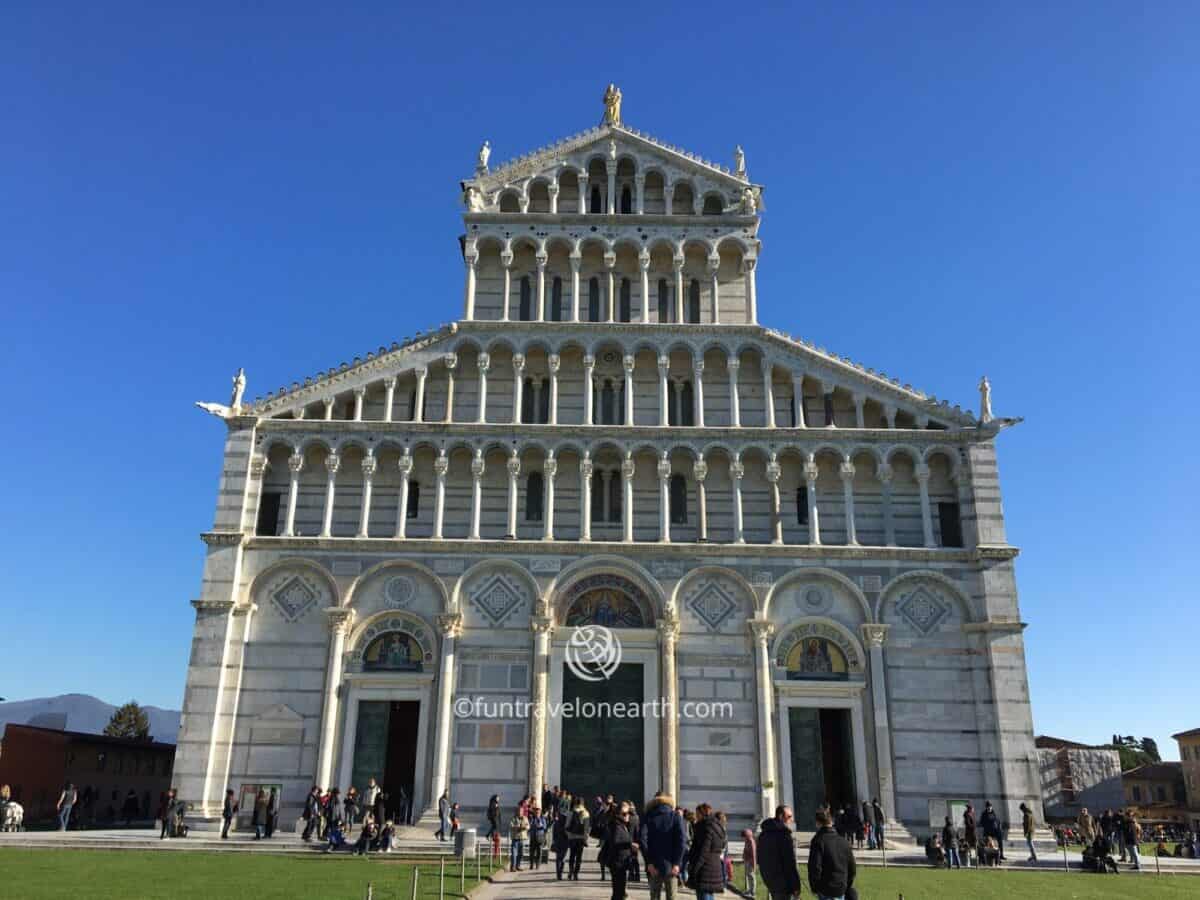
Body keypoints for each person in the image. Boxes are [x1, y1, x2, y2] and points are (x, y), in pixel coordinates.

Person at [809, 807, 856, 900]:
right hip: (840, 887)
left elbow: (815, 868)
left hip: (825, 889)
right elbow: (852, 868)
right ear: (832, 822)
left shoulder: (818, 841)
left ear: (818, 823)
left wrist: (815, 888)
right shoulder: (844, 841)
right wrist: (846, 884)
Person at [758, 805, 801, 900]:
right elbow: (790, 863)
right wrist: (796, 887)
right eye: (789, 817)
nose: (791, 819)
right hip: (784, 884)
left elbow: (760, 860)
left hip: (771, 882)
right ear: (781, 816)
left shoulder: (763, 834)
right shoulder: (784, 835)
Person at [599, 801, 638, 900]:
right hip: (617, 862)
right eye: (624, 814)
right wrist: (630, 844)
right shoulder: (616, 825)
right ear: (618, 814)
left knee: (619, 890)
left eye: (629, 813)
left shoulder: (622, 824)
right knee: (618, 891)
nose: (627, 815)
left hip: (621, 862)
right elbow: (615, 841)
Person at [687, 803, 726, 900]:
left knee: (704, 895)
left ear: (702, 813)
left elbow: (703, 850)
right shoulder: (716, 825)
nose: (696, 816)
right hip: (714, 865)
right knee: (709, 894)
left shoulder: (705, 827)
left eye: (697, 814)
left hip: (704, 868)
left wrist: (695, 868)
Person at [566, 796, 590, 880]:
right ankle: (576, 873)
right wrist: (585, 838)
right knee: (579, 857)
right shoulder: (586, 813)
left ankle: (570, 871)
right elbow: (587, 828)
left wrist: (569, 835)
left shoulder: (571, 812)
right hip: (581, 838)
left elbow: (567, 826)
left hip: (572, 837)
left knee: (572, 856)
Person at [552, 805, 570, 880]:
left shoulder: (556, 823)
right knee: (562, 859)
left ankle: (559, 873)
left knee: (559, 858)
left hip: (558, 842)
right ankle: (560, 873)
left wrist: (554, 841)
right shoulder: (566, 824)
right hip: (564, 843)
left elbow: (554, 834)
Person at [509, 806, 529, 871]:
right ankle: (513, 867)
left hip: (522, 838)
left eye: (521, 811)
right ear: (516, 811)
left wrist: (525, 827)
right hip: (515, 838)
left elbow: (528, 826)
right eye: (519, 811)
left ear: (523, 812)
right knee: (514, 854)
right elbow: (511, 826)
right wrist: (517, 827)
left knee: (521, 853)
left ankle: (518, 866)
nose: (520, 812)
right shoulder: (513, 818)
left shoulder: (525, 818)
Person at [527, 806, 547, 870]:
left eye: (538, 812)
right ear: (534, 812)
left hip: (540, 837)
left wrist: (540, 824)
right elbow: (529, 826)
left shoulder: (542, 819)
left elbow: (544, 827)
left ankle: (537, 864)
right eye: (536, 812)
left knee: (539, 852)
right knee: (532, 852)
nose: (537, 813)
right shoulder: (532, 818)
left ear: (540, 812)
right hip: (533, 837)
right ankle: (531, 864)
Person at [741, 828, 758, 898]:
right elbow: (745, 849)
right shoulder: (747, 841)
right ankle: (749, 890)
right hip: (747, 861)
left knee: (751, 876)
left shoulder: (751, 841)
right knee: (748, 875)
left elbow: (753, 854)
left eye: (744, 837)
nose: (743, 839)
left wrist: (754, 864)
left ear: (747, 835)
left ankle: (753, 892)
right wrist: (743, 855)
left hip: (751, 862)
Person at [962, 803, 977, 867]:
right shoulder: (968, 815)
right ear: (970, 809)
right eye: (972, 808)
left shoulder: (970, 815)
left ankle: (975, 862)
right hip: (970, 834)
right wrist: (973, 826)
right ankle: (969, 863)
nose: (973, 809)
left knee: (972, 847)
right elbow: (969, 824)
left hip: (971, 833)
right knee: (968, 847)